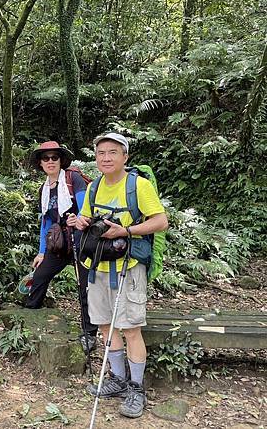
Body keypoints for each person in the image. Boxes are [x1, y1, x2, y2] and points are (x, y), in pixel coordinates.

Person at [73, 132, 168, 419]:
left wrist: (126, 230)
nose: (105, 157)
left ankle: (136, 387)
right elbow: (87, 218)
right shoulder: (95, 187)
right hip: (99, 267)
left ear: (125, 157)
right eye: (101, 152)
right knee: (104, 324)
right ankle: (116, 378)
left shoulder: (137, 185)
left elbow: (160, 221)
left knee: (131, 329)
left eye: (112, 152)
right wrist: (81, 221)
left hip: (128, 268)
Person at [27, 141, 98, 353]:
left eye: (54, 158)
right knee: (39, 277)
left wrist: (79, 220)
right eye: (45, 158)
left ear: (61, 161)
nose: (50, 161)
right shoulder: (44, 189)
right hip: (59, 242)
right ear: (40, 163)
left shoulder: (72, 178)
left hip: (81, 239)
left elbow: (86, 207)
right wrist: (41, 251)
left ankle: (90, 333)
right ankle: (31, 314)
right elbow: (46, 222)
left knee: (84, 286)